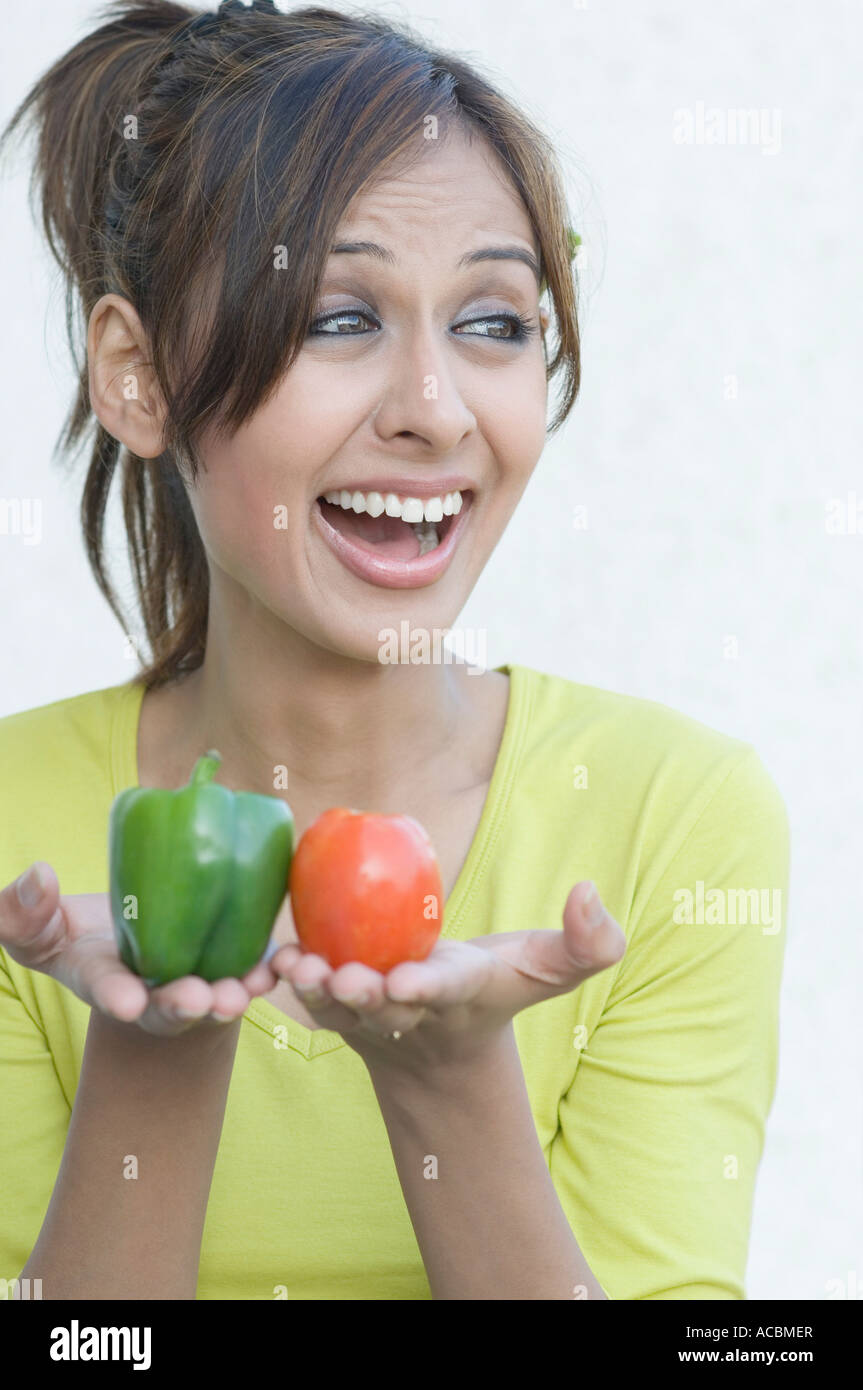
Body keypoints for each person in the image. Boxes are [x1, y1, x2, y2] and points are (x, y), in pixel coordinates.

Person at [0, 0, 790, 1302]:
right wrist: (153, 1047)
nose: (434, 412)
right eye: (335, 316)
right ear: (136, 375)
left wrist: (450, 1085)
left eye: (493, 324)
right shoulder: (17, 833)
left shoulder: (681, 819)